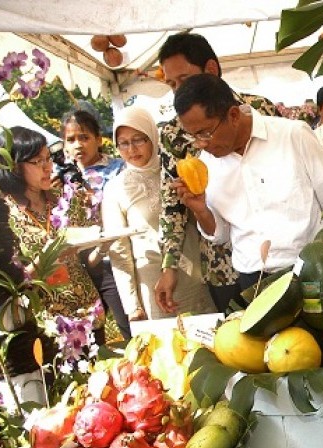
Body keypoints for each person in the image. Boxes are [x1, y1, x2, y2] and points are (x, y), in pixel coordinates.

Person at [172, 73, 323, 295]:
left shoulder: (292, 136)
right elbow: (221, 234)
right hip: (254, 281)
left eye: (205, 133)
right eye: (193, 136)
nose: (201, 144)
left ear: (233, 115)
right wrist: (201, 210)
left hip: (311, 272)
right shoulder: (206, 165)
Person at [154, 32, 281, 315]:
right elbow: (172, 204)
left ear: (211, 69)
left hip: (275, 253)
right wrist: (169, 265)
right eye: (171, 83)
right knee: (237, 346)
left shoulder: (260, 109)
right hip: (222, 263)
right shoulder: (173, 134)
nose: (177, 90)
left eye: (183, 80)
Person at [102, 106, 216, 323]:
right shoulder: (116, 189)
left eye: (138, 139)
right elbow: (119, 251)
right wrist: (132, 305)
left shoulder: (177, 169)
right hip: (154, 284)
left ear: (153, 137)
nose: (131, 149)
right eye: (123, 143)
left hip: (196, 275)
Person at [0, 126, 104, 341]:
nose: (47, 167)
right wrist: (45, 259)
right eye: (38, 162)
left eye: (48, 158)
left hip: (90, 315)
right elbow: (12, 286)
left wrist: (102, 247)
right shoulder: (3, 218)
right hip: (50, 328)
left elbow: (86, 260)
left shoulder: (65, 199)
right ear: (14, 167)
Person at [60, 109, 130, 340]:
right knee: (90, 336)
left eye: (84, 137)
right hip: (78, 268)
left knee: (129, 325)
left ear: (99, 140)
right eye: (71, 140)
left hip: (111, 259)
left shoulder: (119, 169)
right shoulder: (60, 178)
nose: (78, 145)